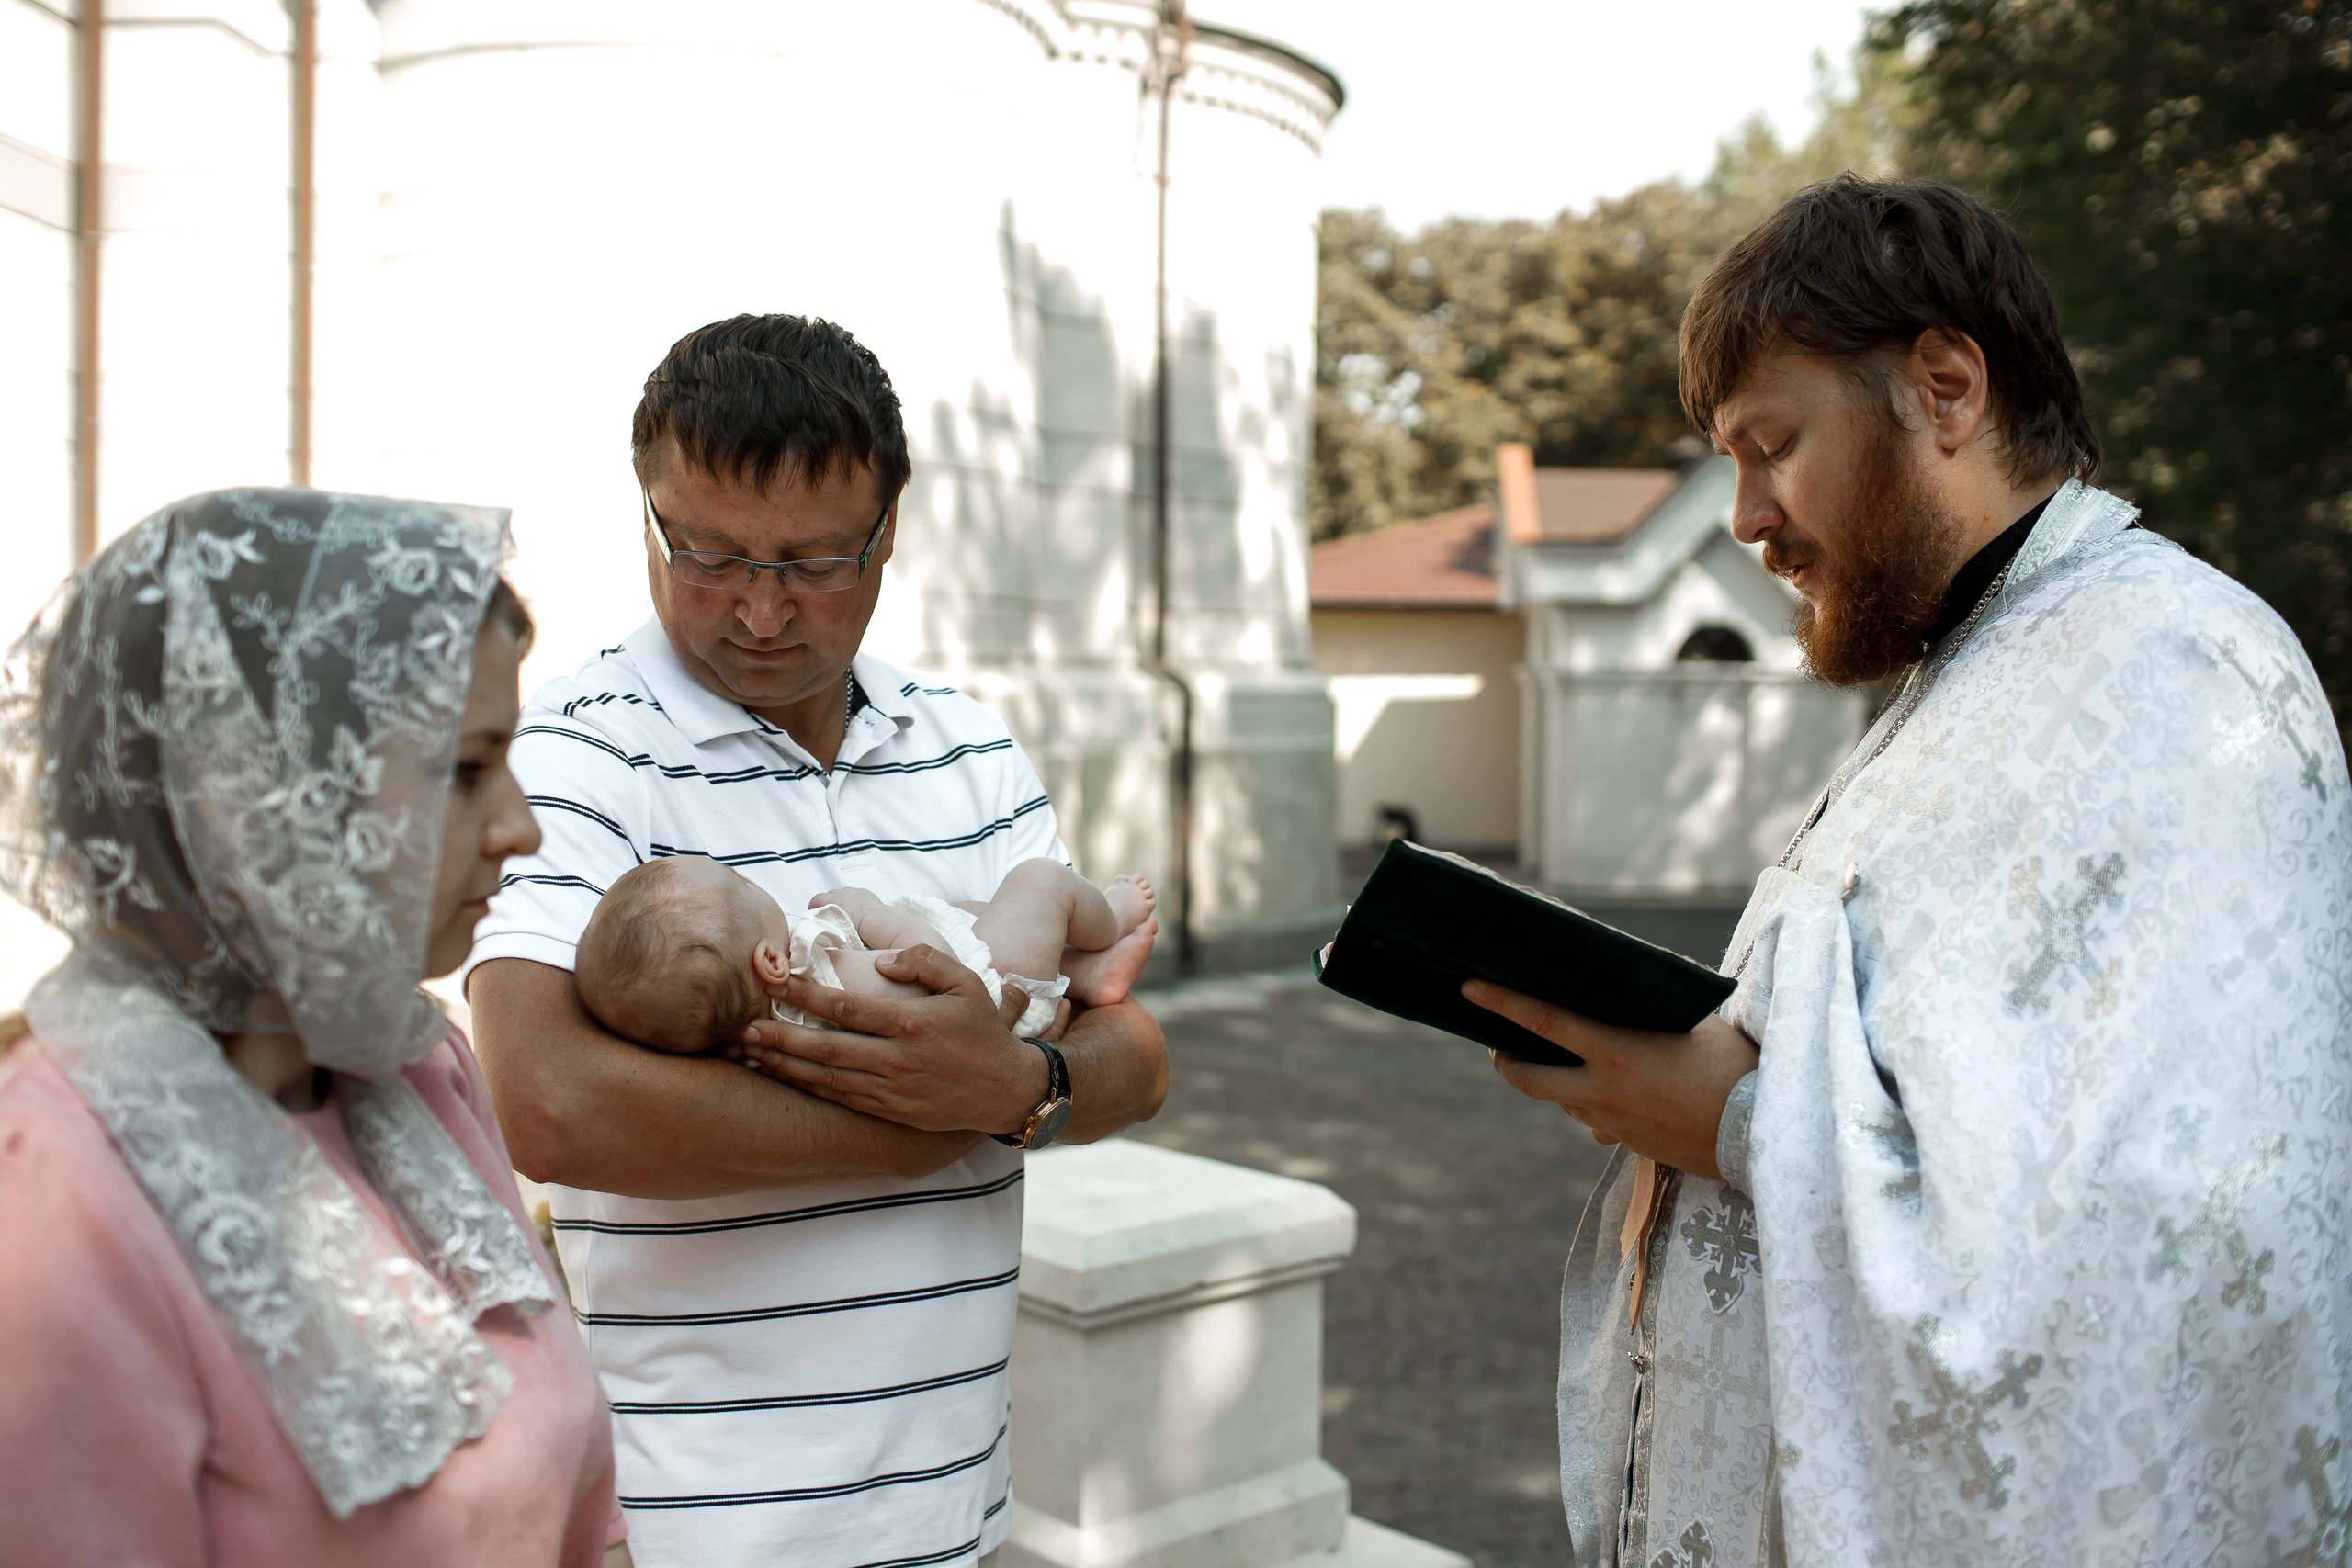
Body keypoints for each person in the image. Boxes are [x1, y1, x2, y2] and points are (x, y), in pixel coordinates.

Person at [1466, 176, 2352, 1565]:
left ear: (1944, 388)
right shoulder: (1975, 676)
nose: (1747, 516)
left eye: (1773, 445)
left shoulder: (2176, 669)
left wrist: (1739, 1124)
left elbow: (2157, 1248)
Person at [464, 313, 1170, 1568]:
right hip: (697, 1521)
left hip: (954, 1507)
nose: (757, 607)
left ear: (889, 530)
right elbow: (549, 1104)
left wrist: (1022, 1084)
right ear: (649, 515)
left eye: (812, 560)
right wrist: (947, 1109)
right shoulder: (578, 750)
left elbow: (1136, 1055)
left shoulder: (968, 742)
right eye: (708, 551)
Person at [0, 489, 622, 1564]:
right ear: (259, 797)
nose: (520, 829)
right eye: (466, 770)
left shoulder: (419, 1071)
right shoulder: (57, 1202)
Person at [575, 853, 1158, 1052]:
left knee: (981, 907)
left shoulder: (766, 1034)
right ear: (769, 961)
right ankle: (1109, 923)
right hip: (992, 990)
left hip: (989, 1003)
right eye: (741, 883)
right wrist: (864, 909)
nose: (755, 882)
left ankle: (1080, 974)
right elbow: (928, 956)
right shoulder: (808, 953)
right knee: (1040, 882)